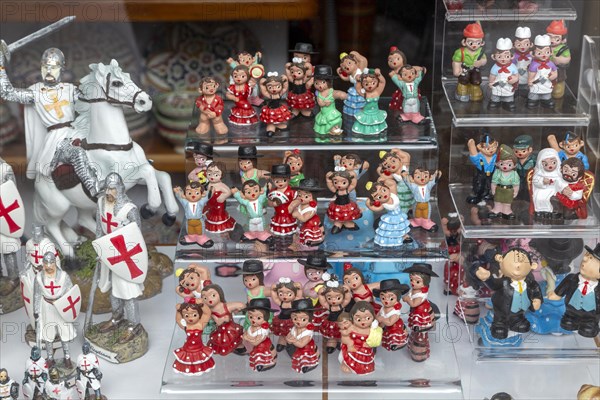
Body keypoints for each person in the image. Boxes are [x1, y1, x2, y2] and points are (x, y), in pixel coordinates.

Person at [0, 48, 98, 195]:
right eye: (45, 67)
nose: (49, 71)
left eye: (53, 67)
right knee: (77, 153)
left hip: (74, 133)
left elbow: (89, 106)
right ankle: (94, 188)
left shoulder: (71, 89)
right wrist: (1, 66)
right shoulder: (35, 93)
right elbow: (7, 92)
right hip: (56, 140)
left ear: (62, 69)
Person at [95, 173, 145, 343]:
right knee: (113, 290)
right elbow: (99, 228)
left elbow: (136, 235)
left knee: (127, 292)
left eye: (113, 189)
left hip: (125, 257)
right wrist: (99, 249)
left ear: (120, 189)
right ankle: (116, 317)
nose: (109, 192)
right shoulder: (101, 203)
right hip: (108, 254)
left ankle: (133, 324)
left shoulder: (129, 209)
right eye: (107, 188)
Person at [33, 252, 77, 368]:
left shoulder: (63, 276)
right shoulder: (39, 278)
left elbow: (71, 291)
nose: (48, 266)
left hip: (61, 306)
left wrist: (67, 307)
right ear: (43, 264)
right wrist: (36, 311)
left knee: (64, 332)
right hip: (46, 307)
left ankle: (67, 358)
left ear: (55, 262)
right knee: (48, 334)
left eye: (51, 262)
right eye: (46, 263)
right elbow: (37, 295)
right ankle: (50, 358)